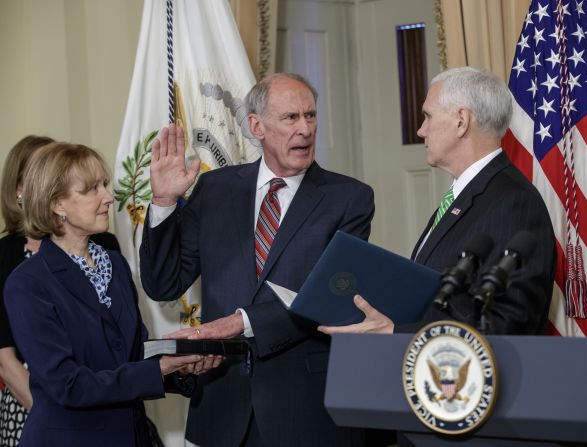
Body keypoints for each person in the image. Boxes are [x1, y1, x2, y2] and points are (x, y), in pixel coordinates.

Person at [140, 73, 375, 446]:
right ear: (256, 126)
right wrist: (165, 203)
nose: (305, 129)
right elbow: (163, 283)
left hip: (305, 409)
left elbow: (326, 296)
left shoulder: (348, 199)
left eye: (310, 116)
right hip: (221, 405)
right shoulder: (215, 189)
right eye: (290, 118)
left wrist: (237, 323)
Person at [3, 142, 219, 447]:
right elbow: (68, 384)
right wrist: (159, 368)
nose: (108, 196)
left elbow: (132, 355)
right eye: (92, 189)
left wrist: (180, 362)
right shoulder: (27, 283)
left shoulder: (114, 264)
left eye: (104, 184)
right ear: (57, 204)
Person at [320, 67, 556, 336]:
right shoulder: (466, 194)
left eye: (428, 116)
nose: (421, 131)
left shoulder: (513, 202)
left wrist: (397, 333)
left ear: (461, 121)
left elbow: (507, 321)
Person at [0, 135, 121, 446]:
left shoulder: (110, 256)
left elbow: (126, 347)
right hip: (44, 404)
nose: (107, 197)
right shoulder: (17, 272)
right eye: (93, 188)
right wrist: (61, 417)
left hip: (109, 406)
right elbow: (6, 359)